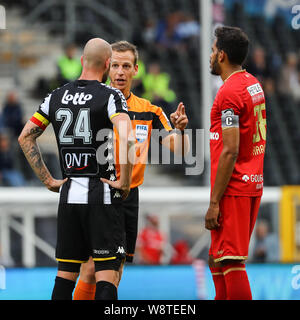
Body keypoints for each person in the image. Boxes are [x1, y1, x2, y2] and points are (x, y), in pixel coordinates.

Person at [18, 38, 134, 300]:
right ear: (107, 65)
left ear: (82, 61)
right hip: (101, 192)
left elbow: (25, 137)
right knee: (106, 274)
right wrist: (124, 181)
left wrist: (48, 179)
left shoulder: (55, 96)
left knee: (65, 275)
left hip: (69, 193)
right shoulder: (110, 95)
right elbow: (126, 136)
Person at [73, 40, 190, 300]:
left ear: (136, 69)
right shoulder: (93, 103)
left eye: (126, 66)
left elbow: (180, 150)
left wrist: (181, 130)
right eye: (115, 65)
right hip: (96, 191)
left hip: (127, 196)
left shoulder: (149, 111)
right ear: (106, 67)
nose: (120, 72)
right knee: (92, 268)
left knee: (116, 268)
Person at [205, 26, 266, 300]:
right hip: (249, 181)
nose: (210, 54)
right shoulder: (252, 83)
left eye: (213, 49)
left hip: (234, 187)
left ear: (222, 55)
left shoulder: (229, 93)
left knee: (231, 261)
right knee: (216, 259)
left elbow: (230, 150)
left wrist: (214, 202)